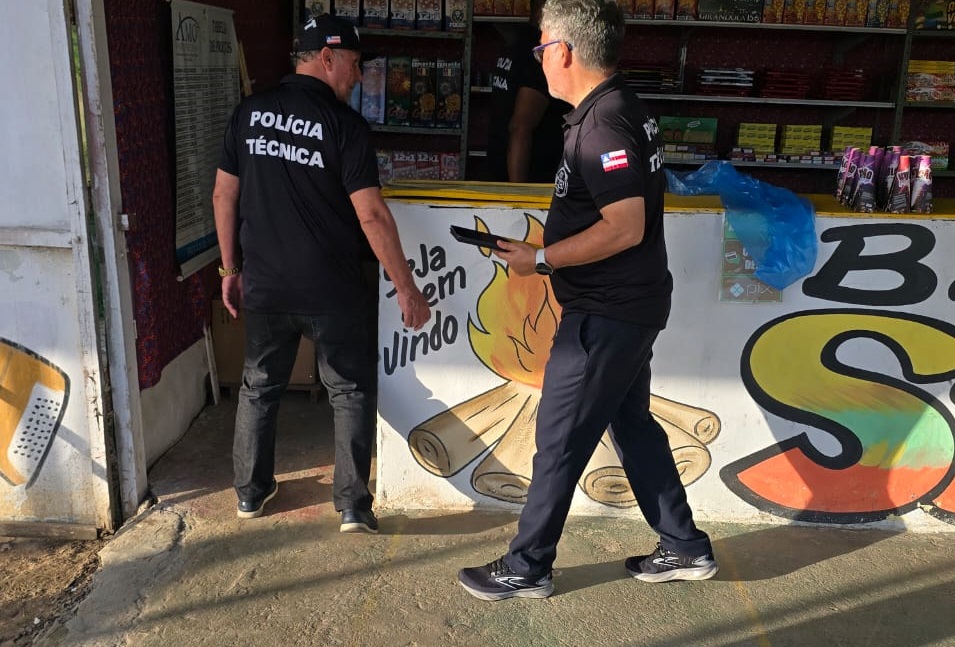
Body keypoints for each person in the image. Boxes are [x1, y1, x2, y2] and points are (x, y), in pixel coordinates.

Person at [457, 0, 718, 600]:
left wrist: (543, 258)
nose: (538, 59)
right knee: (632, 424)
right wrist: (538, 254)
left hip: (607, 312)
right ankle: (683, 545)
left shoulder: (603, 124)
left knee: (558, 438)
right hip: (626, 304)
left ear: (564, 51)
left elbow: (624, 226)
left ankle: (527, 566)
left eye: (541, 47)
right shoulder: (614, 108)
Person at [212, 14, 431, 533]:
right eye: (354, 64)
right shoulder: (345, 126)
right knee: (349, 391)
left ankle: (250, 494)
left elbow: (223, 195)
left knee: (259, 387)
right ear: (327, 58)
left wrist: (229, 268)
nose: (358, 76)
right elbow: (371, 214)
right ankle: (352, 505)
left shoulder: (250, 113)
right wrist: (406, 287)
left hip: (265, 284)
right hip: (330, 288)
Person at [484, 0, 571, 183]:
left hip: (500, 171)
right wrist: (519, 192)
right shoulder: (540, 52)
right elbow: (520, 128)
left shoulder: (517, 42)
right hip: (531, 179)